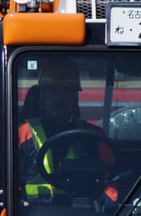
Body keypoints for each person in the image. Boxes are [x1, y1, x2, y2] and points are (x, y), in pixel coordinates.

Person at [17, 60, 116, 204]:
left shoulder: (96, 137)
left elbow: (110, 187)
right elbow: (7, 184)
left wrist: (104, 211)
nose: (59, 99)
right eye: (53, 92)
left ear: (75, 98)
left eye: (66, 92)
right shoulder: (22, 135)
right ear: (41, 97)